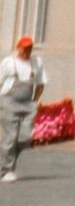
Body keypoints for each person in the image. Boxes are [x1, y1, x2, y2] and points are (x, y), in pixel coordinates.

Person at [1, 35, 46, 182]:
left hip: (27, 103)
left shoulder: (36, 63)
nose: (27, 51)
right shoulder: (9, 63)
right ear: (18, 48)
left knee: (26, 137)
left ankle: (6, 160)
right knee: (11, 136)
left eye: (30, 48)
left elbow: (40, 83)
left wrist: (34, 101)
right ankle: (6, 170)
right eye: (25, 48)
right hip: (9, 102)